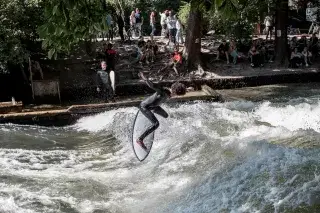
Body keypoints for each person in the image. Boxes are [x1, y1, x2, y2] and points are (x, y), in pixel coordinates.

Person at [136, 72, 187, 150]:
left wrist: (188, 89)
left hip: (154, 107)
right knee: (156, 124)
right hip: (144, 107)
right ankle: (140, 139)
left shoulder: (172, 92)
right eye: (175, 94)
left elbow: (179, 90)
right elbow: (152, 85)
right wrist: (144, 78)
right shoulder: (162, 91)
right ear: (173, 91)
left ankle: (150, 119)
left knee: (166, 115)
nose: (175, 96)